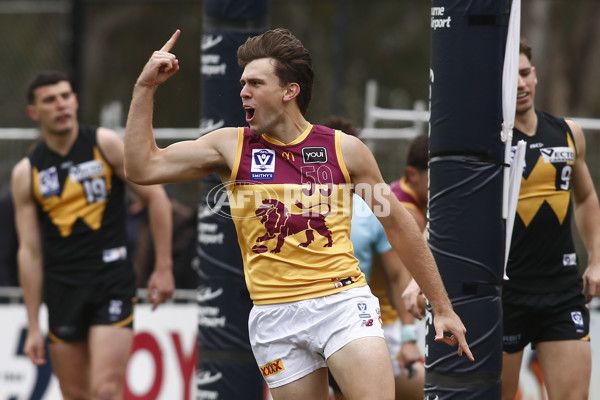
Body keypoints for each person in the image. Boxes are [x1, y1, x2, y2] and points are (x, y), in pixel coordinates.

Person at [124, 28, 473, 399]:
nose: (243, 91)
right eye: (243, 83)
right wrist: (145, 87)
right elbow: (142, 168)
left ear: (289, 91)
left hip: (341, 303)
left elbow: (398, 226)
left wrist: (443, 306)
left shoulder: (345, 151)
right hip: (274, 316)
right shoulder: (230, 146)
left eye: (256, 83)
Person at [12, 71, 175, 399]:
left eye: (65, 96)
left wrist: (163, 266)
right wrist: (32, 324)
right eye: (49, 100)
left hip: (110, 279)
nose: (60, 105)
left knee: (104, 389)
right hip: (63, 288)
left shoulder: (105, 144)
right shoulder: (26, 172)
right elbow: (29, 252)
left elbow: (156, 197)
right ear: (34, 112)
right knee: (75, 393)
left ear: (74, 100)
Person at [499, 39, 600, 400]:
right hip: (504, 294)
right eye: (512, 78)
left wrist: (596, 261)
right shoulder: (484, 143)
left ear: (536, 75)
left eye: (525, 73)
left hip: (561, 292)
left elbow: (586, 197)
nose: (521, 84)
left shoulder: (569, 132)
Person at [323, 117, 425, 400]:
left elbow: (397, 276)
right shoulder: (298, 202)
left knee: (427, 392)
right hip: (308, 318)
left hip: (360, 325)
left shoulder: (371, 208)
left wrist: (408, 338)